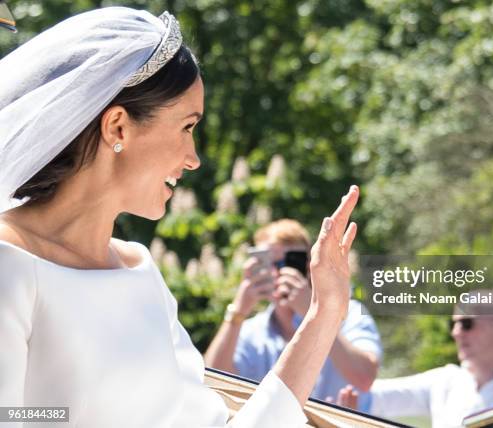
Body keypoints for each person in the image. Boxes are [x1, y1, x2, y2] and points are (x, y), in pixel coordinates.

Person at [0, 7, 360, 427]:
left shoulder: (140, 270)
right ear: (118, 127)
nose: (193, 160)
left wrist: (325, 311)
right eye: (187, 127)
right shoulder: (10, 266)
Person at [204, 219, 382, 411]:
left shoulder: (348, 312)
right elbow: (211, 384)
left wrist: (316, 313)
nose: (279, 272)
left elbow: (365, 378)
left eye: (290, 262)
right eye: (268, 262)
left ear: (309, 267)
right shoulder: (251, 330)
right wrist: (237, 312)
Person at [339, 290, 493, 428]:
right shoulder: (445, 382)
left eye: (467, 324)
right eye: (454, 325)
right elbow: (366, 393)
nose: (456, 333)